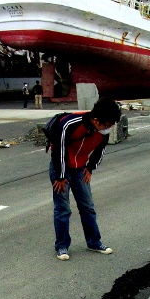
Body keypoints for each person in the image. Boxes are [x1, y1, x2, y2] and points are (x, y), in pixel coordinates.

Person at [49, 97, 121, 261]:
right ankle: (62, 246)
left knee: (87, 206)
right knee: (63, 209)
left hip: (80, 169)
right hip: (61, 168)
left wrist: (90, 168)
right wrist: (60, 176)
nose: (108, 128)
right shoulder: (69, 123)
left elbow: (100, 149)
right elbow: (58, 149)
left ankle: (94, 242)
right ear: (96, 120)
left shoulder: (103, 131)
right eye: (107, 125)